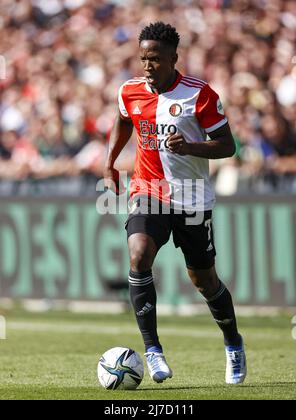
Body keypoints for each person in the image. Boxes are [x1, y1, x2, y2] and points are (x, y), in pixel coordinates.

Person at [104, 22, 247, 385]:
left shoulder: (199, 95)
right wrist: (109, 163)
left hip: (192, 198)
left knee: (205, 280)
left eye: (155, 59)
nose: (147, 65)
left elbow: (228, 145)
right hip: (148, 191)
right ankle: (153, 352)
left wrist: (190, 147)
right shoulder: (130, 91)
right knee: (138, 254)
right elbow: (123, 121)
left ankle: (233, 344)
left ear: (173, 58)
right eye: (143, 58)